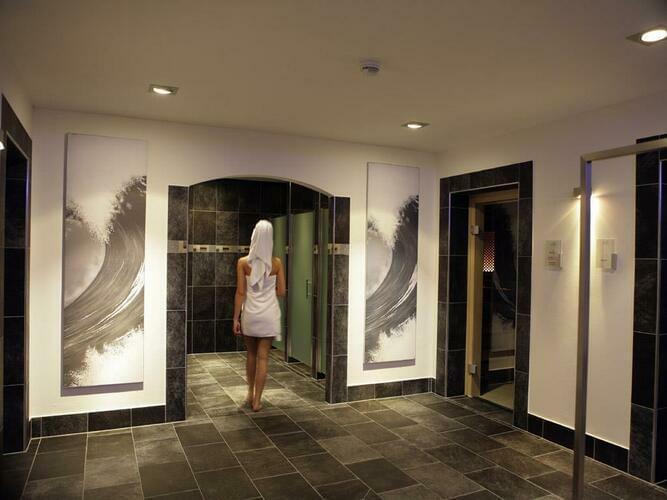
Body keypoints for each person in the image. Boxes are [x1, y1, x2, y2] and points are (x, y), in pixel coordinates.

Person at [233, 220, 286, 412]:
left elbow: (241, 292)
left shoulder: (243, 263)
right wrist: (268, 290)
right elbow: (282, 291)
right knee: (263, 357)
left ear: (254, 237)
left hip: (251, 314)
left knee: (251, 354)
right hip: (269, 314)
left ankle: (249, 393)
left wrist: (235, 318)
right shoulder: (276, 263)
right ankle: (257, 401)